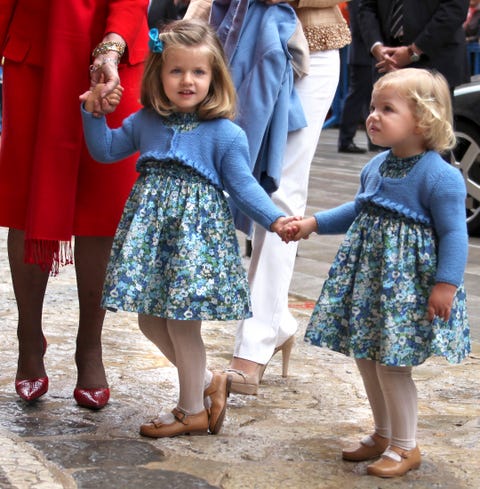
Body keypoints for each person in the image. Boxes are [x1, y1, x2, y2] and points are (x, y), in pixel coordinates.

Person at [80, 19, 294, 437]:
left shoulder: (226, 134)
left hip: (195, 243)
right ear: (159, 75)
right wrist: (93, 113)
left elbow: (244, 186)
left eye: (199, 72)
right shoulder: (146, 121)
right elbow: (104, 150)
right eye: (176, 70)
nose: (187, 80)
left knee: (181, 323)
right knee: (149, 320)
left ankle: (191, 408)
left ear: (214, 78)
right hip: (155, 241)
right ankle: (207, 381)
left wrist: (274, 218)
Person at [285, 68, 470, 477]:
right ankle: (384, 433)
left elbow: (455, 233)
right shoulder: (377, 167)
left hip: (408, 289)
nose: (373, 116)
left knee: (392, 365)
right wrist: (313, 223)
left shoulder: (440, 177)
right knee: (367, 358)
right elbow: (357, 210)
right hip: (372, 284)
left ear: (424, 120)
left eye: (387, 109)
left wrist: (446, 285)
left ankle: (406, 446)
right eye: (372, 107)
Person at [0, 0, 149, 409]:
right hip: (35, 53)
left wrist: (112, 46)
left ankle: (90, 345)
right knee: (29, 200)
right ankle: (29, 337)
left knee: (104, 204)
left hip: (114, 55)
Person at [206, 0, 351, 396]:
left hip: (313, 47)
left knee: (280, 189)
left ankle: (254, 343)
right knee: (226, 173)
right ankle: (278, 319)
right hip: (238, 39)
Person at [358, 0, 470, 91]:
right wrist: (376, 46)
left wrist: (413, 51)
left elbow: (454, 10)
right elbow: (366, 7)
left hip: (434, 64)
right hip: (387, 62)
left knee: (431, 118)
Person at [337, 0, 375, 154]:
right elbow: (361, 23)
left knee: (367, 98)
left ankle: (372, 140)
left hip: (364, 54)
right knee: (356, 97)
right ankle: (346, 139)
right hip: (363, 54)